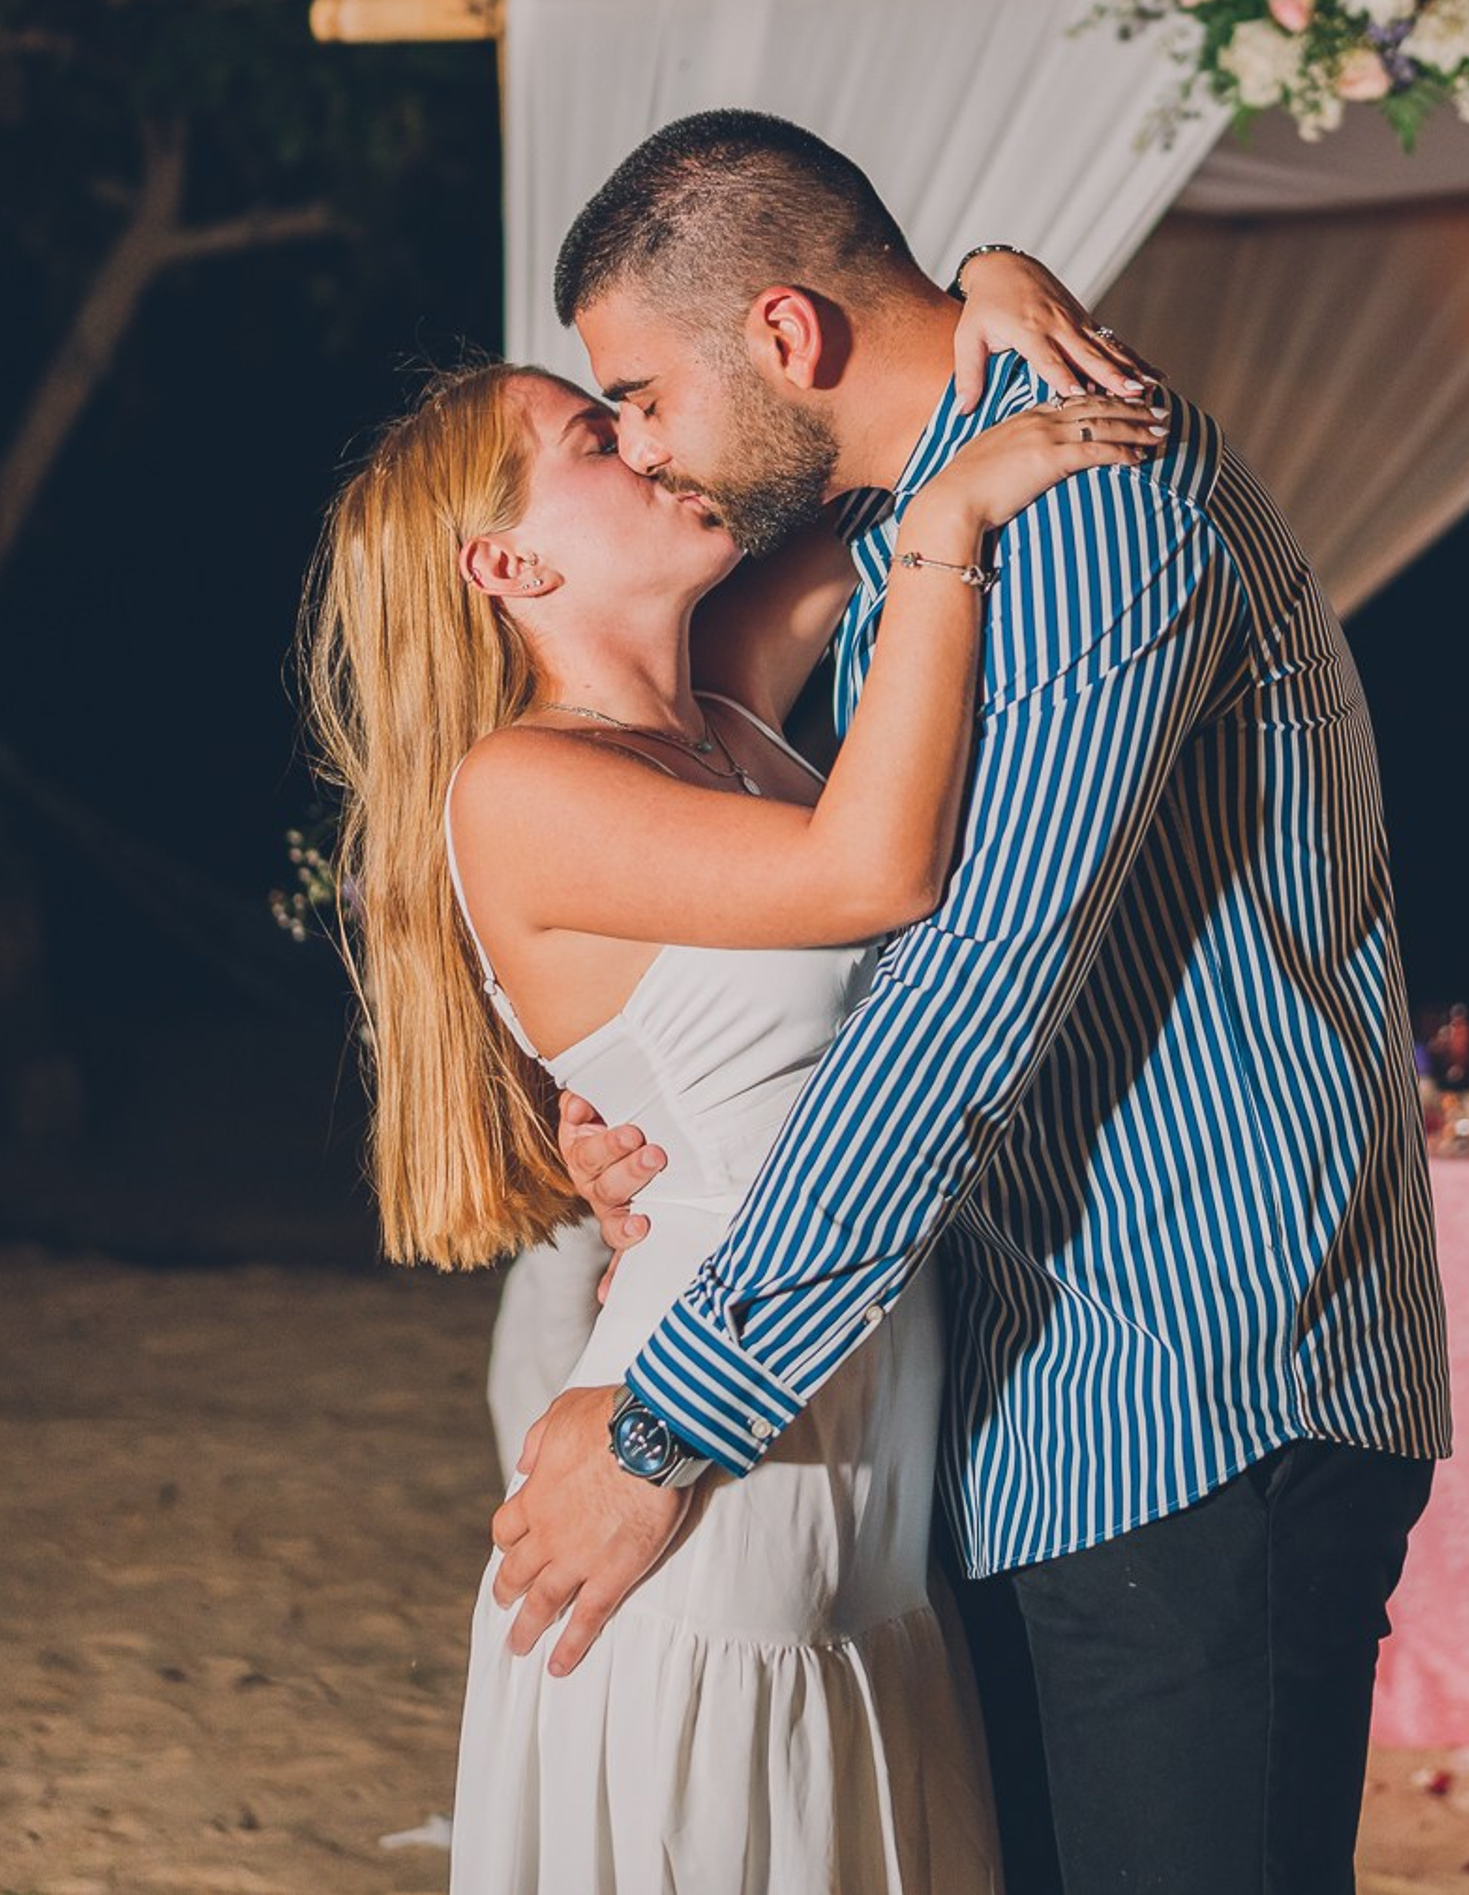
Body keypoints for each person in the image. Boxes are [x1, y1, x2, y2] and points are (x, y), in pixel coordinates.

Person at [498, 109, 1453, 1895]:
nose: (639, 442)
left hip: (1192, 1384)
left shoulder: (1090, 511)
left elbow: (966, 995)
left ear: (784, 338)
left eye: (639, 392)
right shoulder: (911, 533)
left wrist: (669, 1421)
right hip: (1016, 1395)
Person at [299, 260, 1168, 1894]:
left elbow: (892, 410)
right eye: (591, 437)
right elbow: (874, 870)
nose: (645, 442)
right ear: (507, 560)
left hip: (863, 1436)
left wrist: (984, 275)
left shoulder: (720, 709)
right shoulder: (518, 786)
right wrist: (950, 539)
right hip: (713, 1453)